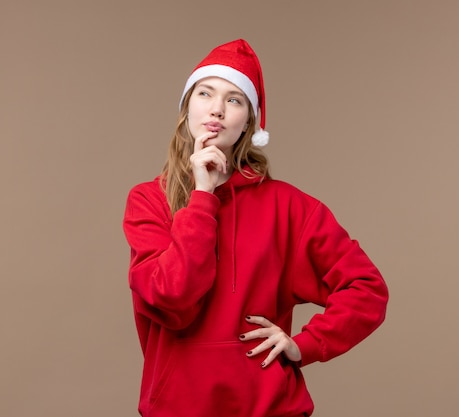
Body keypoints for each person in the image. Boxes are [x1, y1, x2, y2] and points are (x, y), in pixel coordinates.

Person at [122, 39, 389, 417]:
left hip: (269, 408)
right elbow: (174, 299)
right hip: (177, 407)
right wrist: (202, 195)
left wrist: (307, 344)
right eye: (205, 93)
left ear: (249, 120)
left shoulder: (290, 207)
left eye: (234, 100)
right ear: (187, 108)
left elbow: (366, 288)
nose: (216, 109)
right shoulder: (149, 201)